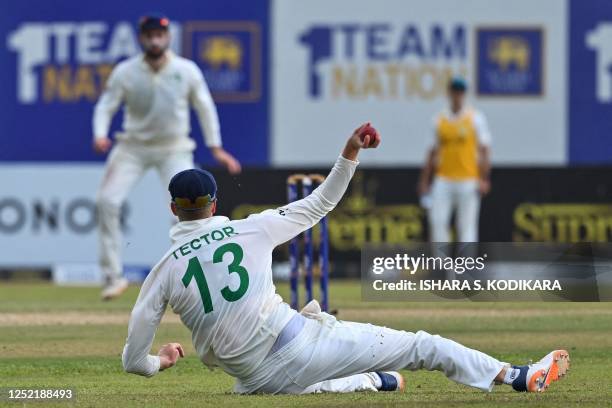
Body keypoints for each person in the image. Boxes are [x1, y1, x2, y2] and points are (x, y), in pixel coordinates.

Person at [121, 123, 569, 395]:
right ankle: (516, 376)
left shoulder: (163, 271)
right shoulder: (247, 229)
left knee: (299, 376)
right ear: (215, 205)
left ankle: (376, 381)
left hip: (254, 379)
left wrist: (160, 361)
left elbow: (131, 362)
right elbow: (319, 204)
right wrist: (350, 152)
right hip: (297, 349)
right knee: (421, 345)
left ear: (172, 208)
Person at [93, 14, 241, 300]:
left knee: (187, 211)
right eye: (149, 35)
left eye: (160, 34)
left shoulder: (186, 70)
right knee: (107, 201)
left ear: (168, 37)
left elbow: (205, 107)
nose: (155, 39)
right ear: (141, 39)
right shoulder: (126, 71)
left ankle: (195, 277)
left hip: (174, 147)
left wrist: (216, 147)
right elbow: (106, 106)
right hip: (132, 147)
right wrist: (100, 133)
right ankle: (112, 276)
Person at [418, 76, 491, 242]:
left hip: (468, 179)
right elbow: (431, 152)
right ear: (449, 93)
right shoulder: (439, 120)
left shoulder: (475, 118)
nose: (457, 95)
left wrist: (484, 178)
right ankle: (442, 265)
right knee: (437, 221)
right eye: (455, 91)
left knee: (466, 226)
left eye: (460, 92)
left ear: (464, 94)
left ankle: (465, 266)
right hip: (444, 179)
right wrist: (424, 180)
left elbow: (485, 150)